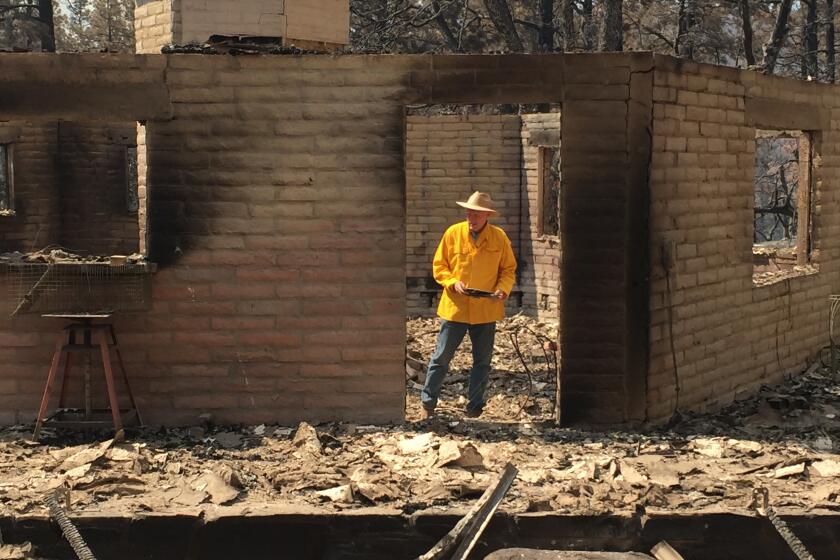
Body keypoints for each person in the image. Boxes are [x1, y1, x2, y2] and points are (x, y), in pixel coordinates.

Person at [420, 191, 517, 419]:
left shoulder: (499, 238)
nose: (471, 218)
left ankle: (474, 409)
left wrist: (503, 289)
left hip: (486, 309)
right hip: (456, 308)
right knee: (441, 358)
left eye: (476, 214)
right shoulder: (453, 233)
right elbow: (439, 266)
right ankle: (427, 405)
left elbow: (508, 270)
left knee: (482, 362)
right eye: (469, 213)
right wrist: (452, 282)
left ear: (486, 216)